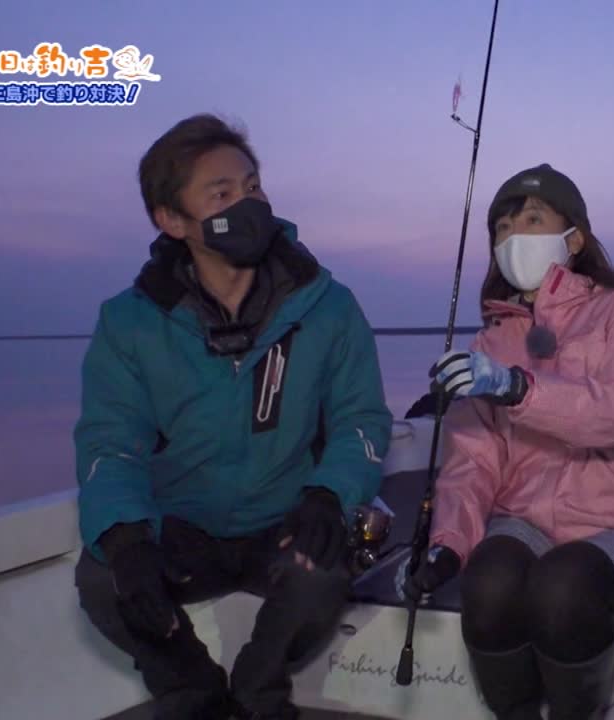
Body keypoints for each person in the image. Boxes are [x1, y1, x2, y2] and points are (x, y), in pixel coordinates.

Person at [72, 113, 392, 720]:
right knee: (103, 577)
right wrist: (127, 540)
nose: (249, 204)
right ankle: (195, 692)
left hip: (285, 517)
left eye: (252, 186)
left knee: (321, 570)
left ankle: (256, 691)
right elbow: (109, 445)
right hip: (184, 525)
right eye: (221, 195)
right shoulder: (129, 323)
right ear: (173, 221)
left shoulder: (329, 307)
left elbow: (362, 420)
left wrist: (329, 494)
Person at [404, 164, 614, 720]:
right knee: (488, 584)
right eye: (503, 228)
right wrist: (448, 544)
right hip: (525, 520)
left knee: (563, 591)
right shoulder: (491, 342)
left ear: (574, 239)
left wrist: (519, 389)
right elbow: (472, 460)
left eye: (533, 220)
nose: (515, 236)